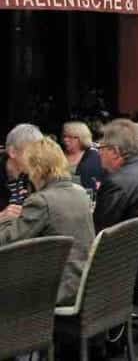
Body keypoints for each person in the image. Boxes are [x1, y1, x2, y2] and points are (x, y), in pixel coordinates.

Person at [0, 137, 95, 306]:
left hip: (58, 289)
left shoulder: (41, 201)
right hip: (83, 281)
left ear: (35, 169)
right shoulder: (79, 193)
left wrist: (4, 219)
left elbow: (7, 243)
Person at [1, 124, 44, 210]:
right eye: (31, 152)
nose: (37, 157)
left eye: (38, 152)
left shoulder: (31, 177)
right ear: (12, 152)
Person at [62, 121, 104, 191]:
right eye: (64, 136)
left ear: (82, 138)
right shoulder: (59, 153)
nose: (65, 140)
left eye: (71, 137)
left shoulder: (94, 156)